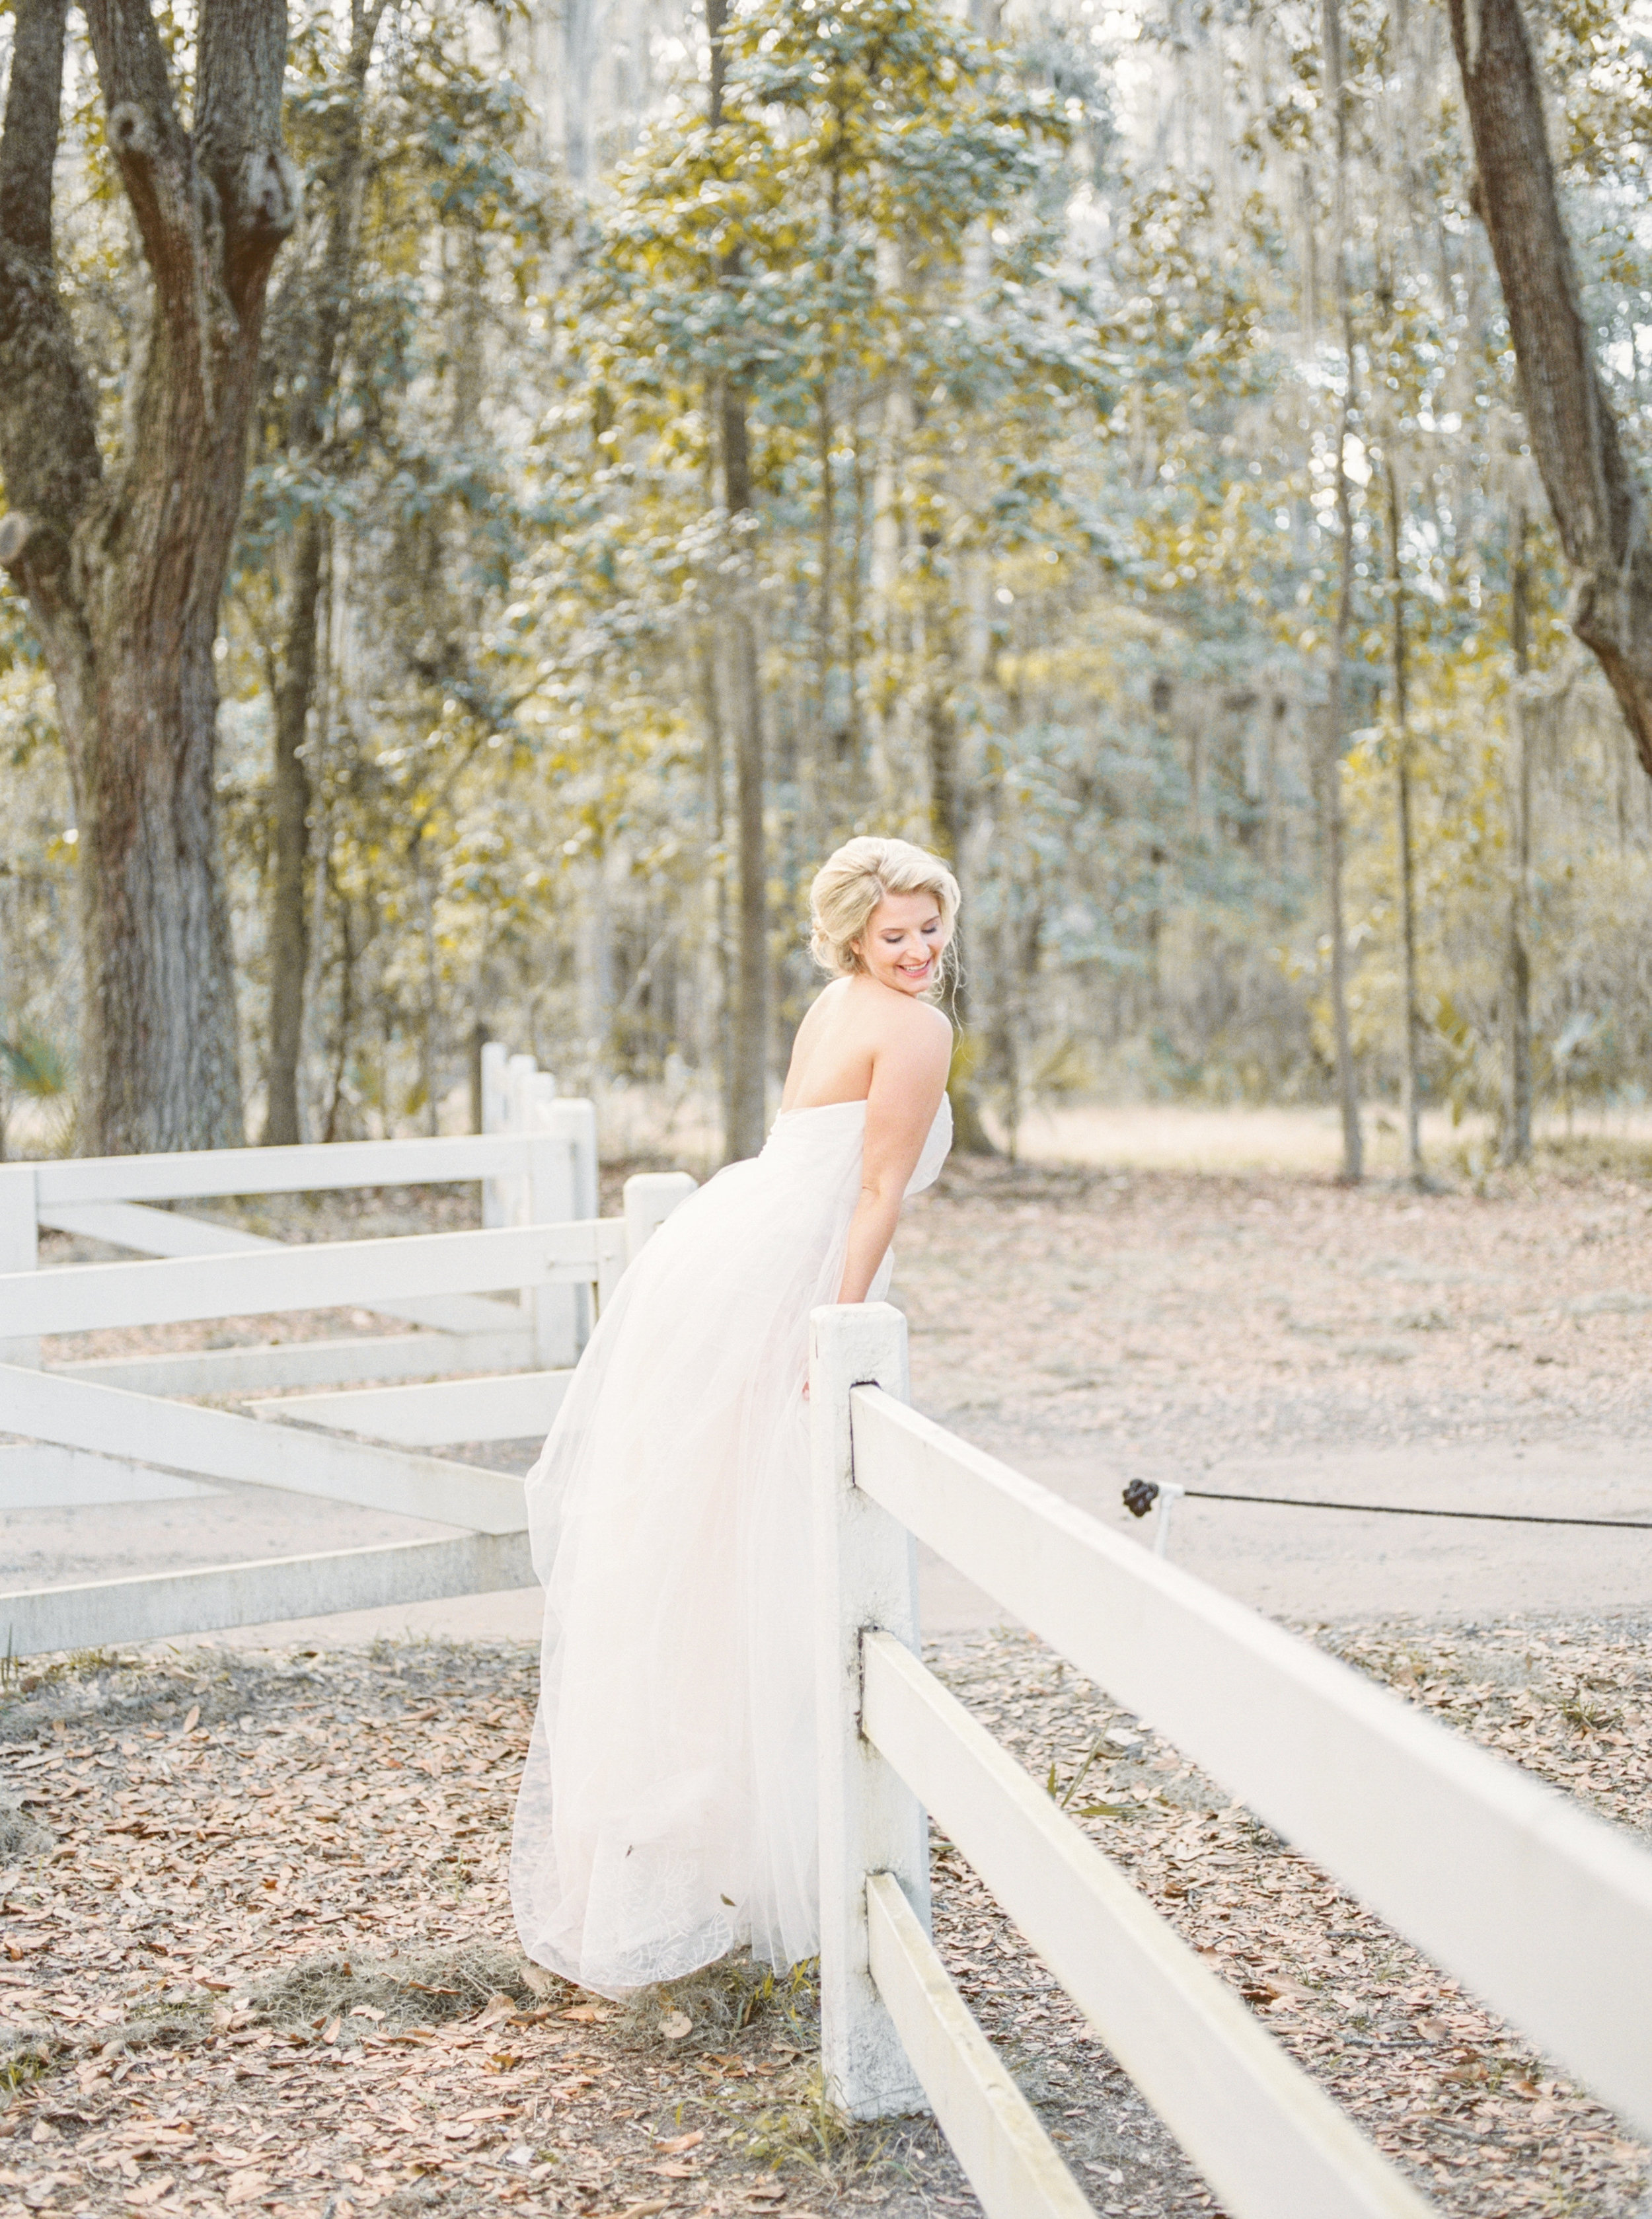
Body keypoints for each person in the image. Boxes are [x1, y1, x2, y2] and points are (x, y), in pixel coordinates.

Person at [511, 835, 957, 1996]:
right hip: (782, 1273)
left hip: (728, 1243)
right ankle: (743, 1855)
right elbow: (874, 1190)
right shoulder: (915, 1027)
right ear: (857, 933)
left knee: (712, 1540)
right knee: (752, 1543)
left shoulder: (845, 1004)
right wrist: (836, 1325)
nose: (918, 952)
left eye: (931, 928)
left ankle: (715, 1844)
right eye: (896, 932)